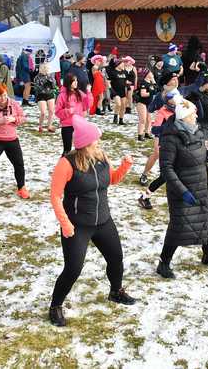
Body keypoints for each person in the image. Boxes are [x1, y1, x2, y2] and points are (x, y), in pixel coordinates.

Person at [48, 115, 136, 326]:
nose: (98, 142)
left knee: (116, 258)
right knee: (73, 269)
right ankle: (56, 305)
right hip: (77, 225)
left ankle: (116, 291)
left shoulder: (101, 156)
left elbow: (111, 180)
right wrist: (65, 223)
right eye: (95, 139)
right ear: (85, 143)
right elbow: (55, 196)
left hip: (103, 220)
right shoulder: (66, 163)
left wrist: (125, 166)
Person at [156, 98, 208, 279]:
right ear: (184, 117)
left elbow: (203, 157)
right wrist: (182, 191)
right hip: (183, 190)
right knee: (179, 227)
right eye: (193, 113)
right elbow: (166, 169)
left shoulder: (197, 132)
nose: (196, 115)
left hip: (202, 185)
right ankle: (163, 263)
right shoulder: (170, 139)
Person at [55, 74, 93, 155]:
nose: (76, 83)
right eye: (74, 81)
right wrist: (68, 111)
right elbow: (57, 112)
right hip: (67, 125)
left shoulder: (79, 93)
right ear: (69, 82)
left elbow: (88, 104)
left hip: (79, 124)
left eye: (76, 81)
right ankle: (63, 166)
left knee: (80, 149)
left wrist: (89, 92)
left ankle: (78, 166)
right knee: (67, 150)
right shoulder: (62, 95)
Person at [33, 63, 57, 133]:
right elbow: (37, 88)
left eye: (46, 68)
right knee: (43, 112)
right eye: (44, 68)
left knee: (51, 111)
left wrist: (51, 83)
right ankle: (40, 126)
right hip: (41, 95)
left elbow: (54, 85)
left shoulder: (50, 76)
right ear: (41, 69)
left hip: (50, 94)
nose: (45, 70)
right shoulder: (37, 77)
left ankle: (49, 125)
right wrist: (44, 86)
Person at [134, 68, 158, 141]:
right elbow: (143, 94)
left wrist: (153, 80)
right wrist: (151, 92)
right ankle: (140, 135)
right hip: (142, 103)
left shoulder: (151, 82)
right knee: (143, 120)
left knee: (149, 119)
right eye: (150, 73)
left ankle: (147, 133)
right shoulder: (143, 83)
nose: (152, 74)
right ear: (147, 74)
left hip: (149, 103)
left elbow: (156, 88)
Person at [107, 59, 129, 125]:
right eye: (122, 64)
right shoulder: (113, 72)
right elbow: (108, 82)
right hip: (115, 91)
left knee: (123, 106)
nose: (123, 65)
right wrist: (111, 89)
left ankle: (121, 120)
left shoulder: (124, 72)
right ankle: (115, 116)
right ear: (118, 65)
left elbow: (125, 81)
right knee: (118, 104)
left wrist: (128, 87)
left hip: (122, 91)